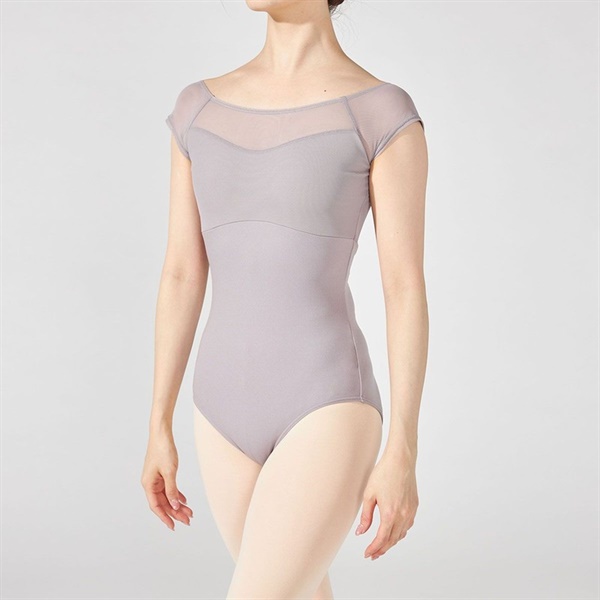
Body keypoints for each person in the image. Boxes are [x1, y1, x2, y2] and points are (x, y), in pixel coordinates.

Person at [141, 0, 429, 597]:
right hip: (219, 410)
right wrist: (158, 423)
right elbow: (181, 273)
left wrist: (403, 447)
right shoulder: (197, 109)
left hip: (327, 402)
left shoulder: (380, 112)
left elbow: (403, 286)